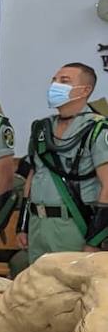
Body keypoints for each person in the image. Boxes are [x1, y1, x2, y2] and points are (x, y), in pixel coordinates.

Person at [17, 63, 108, 267]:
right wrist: (22, 225)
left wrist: (94, 241)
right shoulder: (42, 129)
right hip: (38, 225)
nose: (55, 85)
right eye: (54, 80)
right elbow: (33, 175)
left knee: (70, 293)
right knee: (38, 291)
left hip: (74, 226)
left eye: (64, 81)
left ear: (85, 90)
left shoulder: (97, 129)